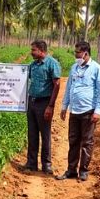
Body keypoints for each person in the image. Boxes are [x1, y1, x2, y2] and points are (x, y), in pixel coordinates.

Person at [56, 41, 100, 182]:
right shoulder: (74, 68)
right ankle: (71, 170)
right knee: (73, 141)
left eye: (77, 52)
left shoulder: (97, 69)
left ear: (85, 53)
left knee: (87, 142)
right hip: (74, 111)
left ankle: (83, 171)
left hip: (88, 111)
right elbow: (69, 88)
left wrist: (98, 111)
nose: (75, 55)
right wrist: (64, 106)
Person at [23, 40, 61, 174]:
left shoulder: (52, 63)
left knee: (45, 134)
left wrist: (50, 106)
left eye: (33, 50)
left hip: (44, 103)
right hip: (32, 102)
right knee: (32, 133)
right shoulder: (33, 65)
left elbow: (56, 85)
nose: (31, 52)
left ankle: (46, 164)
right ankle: (31, 163)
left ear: (41, 50)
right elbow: (20, 76)